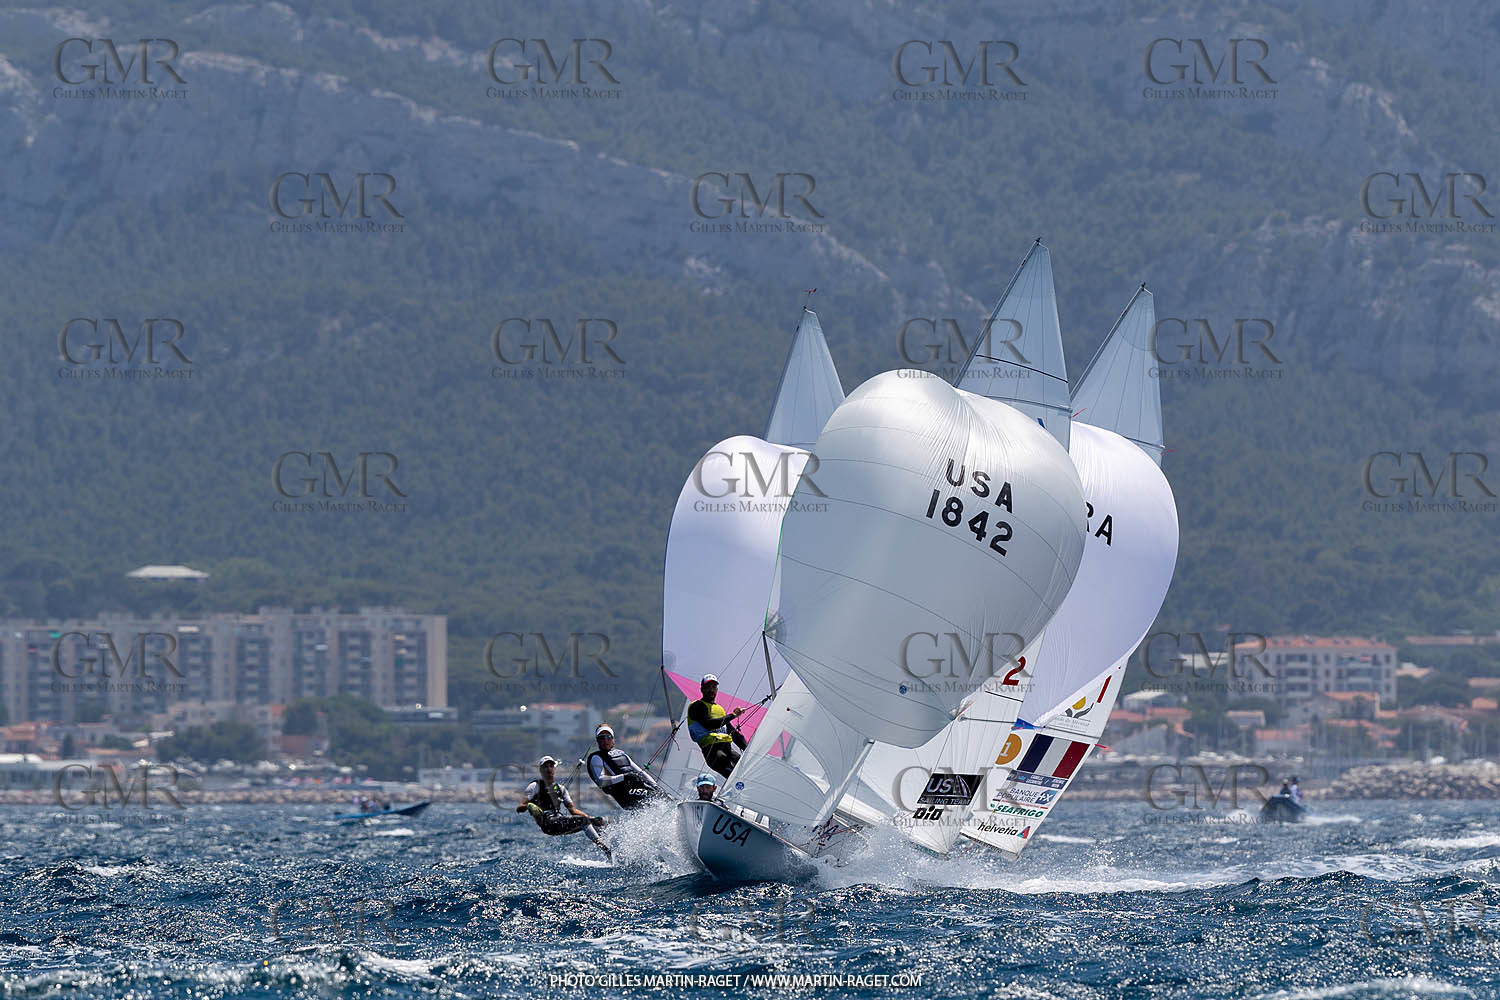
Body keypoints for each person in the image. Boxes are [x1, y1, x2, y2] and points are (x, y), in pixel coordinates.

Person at [517, 755, 612, 860]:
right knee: (583, 821)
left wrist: (591, 818)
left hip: (560, 821)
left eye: (551, 766)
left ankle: (611, 844)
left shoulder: (561, 789)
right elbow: (521, 806)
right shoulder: (535, 786)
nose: (549, 769)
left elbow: (573, 810)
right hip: (548, 824)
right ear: (541, 769)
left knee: (598, 821)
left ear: (554, 768)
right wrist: (528, 807)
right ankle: (606, 850)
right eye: (545, 766)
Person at [587, 723, 666, 809]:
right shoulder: (596, 757)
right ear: (597, 740)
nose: (605, 740)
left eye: (608, 737)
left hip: (636, 787)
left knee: (662, 795)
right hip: (623, 793)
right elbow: (601, 780)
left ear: (613, 739)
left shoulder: (621, 754)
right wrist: (625, 777)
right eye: (601, 738)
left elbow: (641, 773)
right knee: (654, 798)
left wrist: (655, 785)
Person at [688, 674, 747, 778]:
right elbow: (709, 724)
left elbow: (732, 732)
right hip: (713, 752)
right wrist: (733, 715)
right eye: (708, 687)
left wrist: (748, 749)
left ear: (717, 689)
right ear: (702, 689)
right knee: (728, 767)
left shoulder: (719, 709)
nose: (711, 690)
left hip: (727, 749)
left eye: (714, 687)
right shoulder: (697, 706)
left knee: (744, 766)